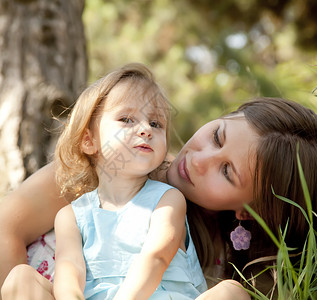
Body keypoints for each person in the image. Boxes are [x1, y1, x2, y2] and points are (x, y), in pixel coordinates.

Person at [0, 88, 317, 299]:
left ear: (248, 212)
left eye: (227, 172)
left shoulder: (248, 273)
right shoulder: (117, 160)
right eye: (217, 135)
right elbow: (0, 230)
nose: (200, 159)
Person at [51, 63, 206, 299]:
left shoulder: (167, 200)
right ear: (88, 141)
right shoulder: (72, 216)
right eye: (127, 119)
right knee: (20, 277)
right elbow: (69, 271)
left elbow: (157, 257)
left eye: (155, 123)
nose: (145, 129)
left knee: (231, 291)